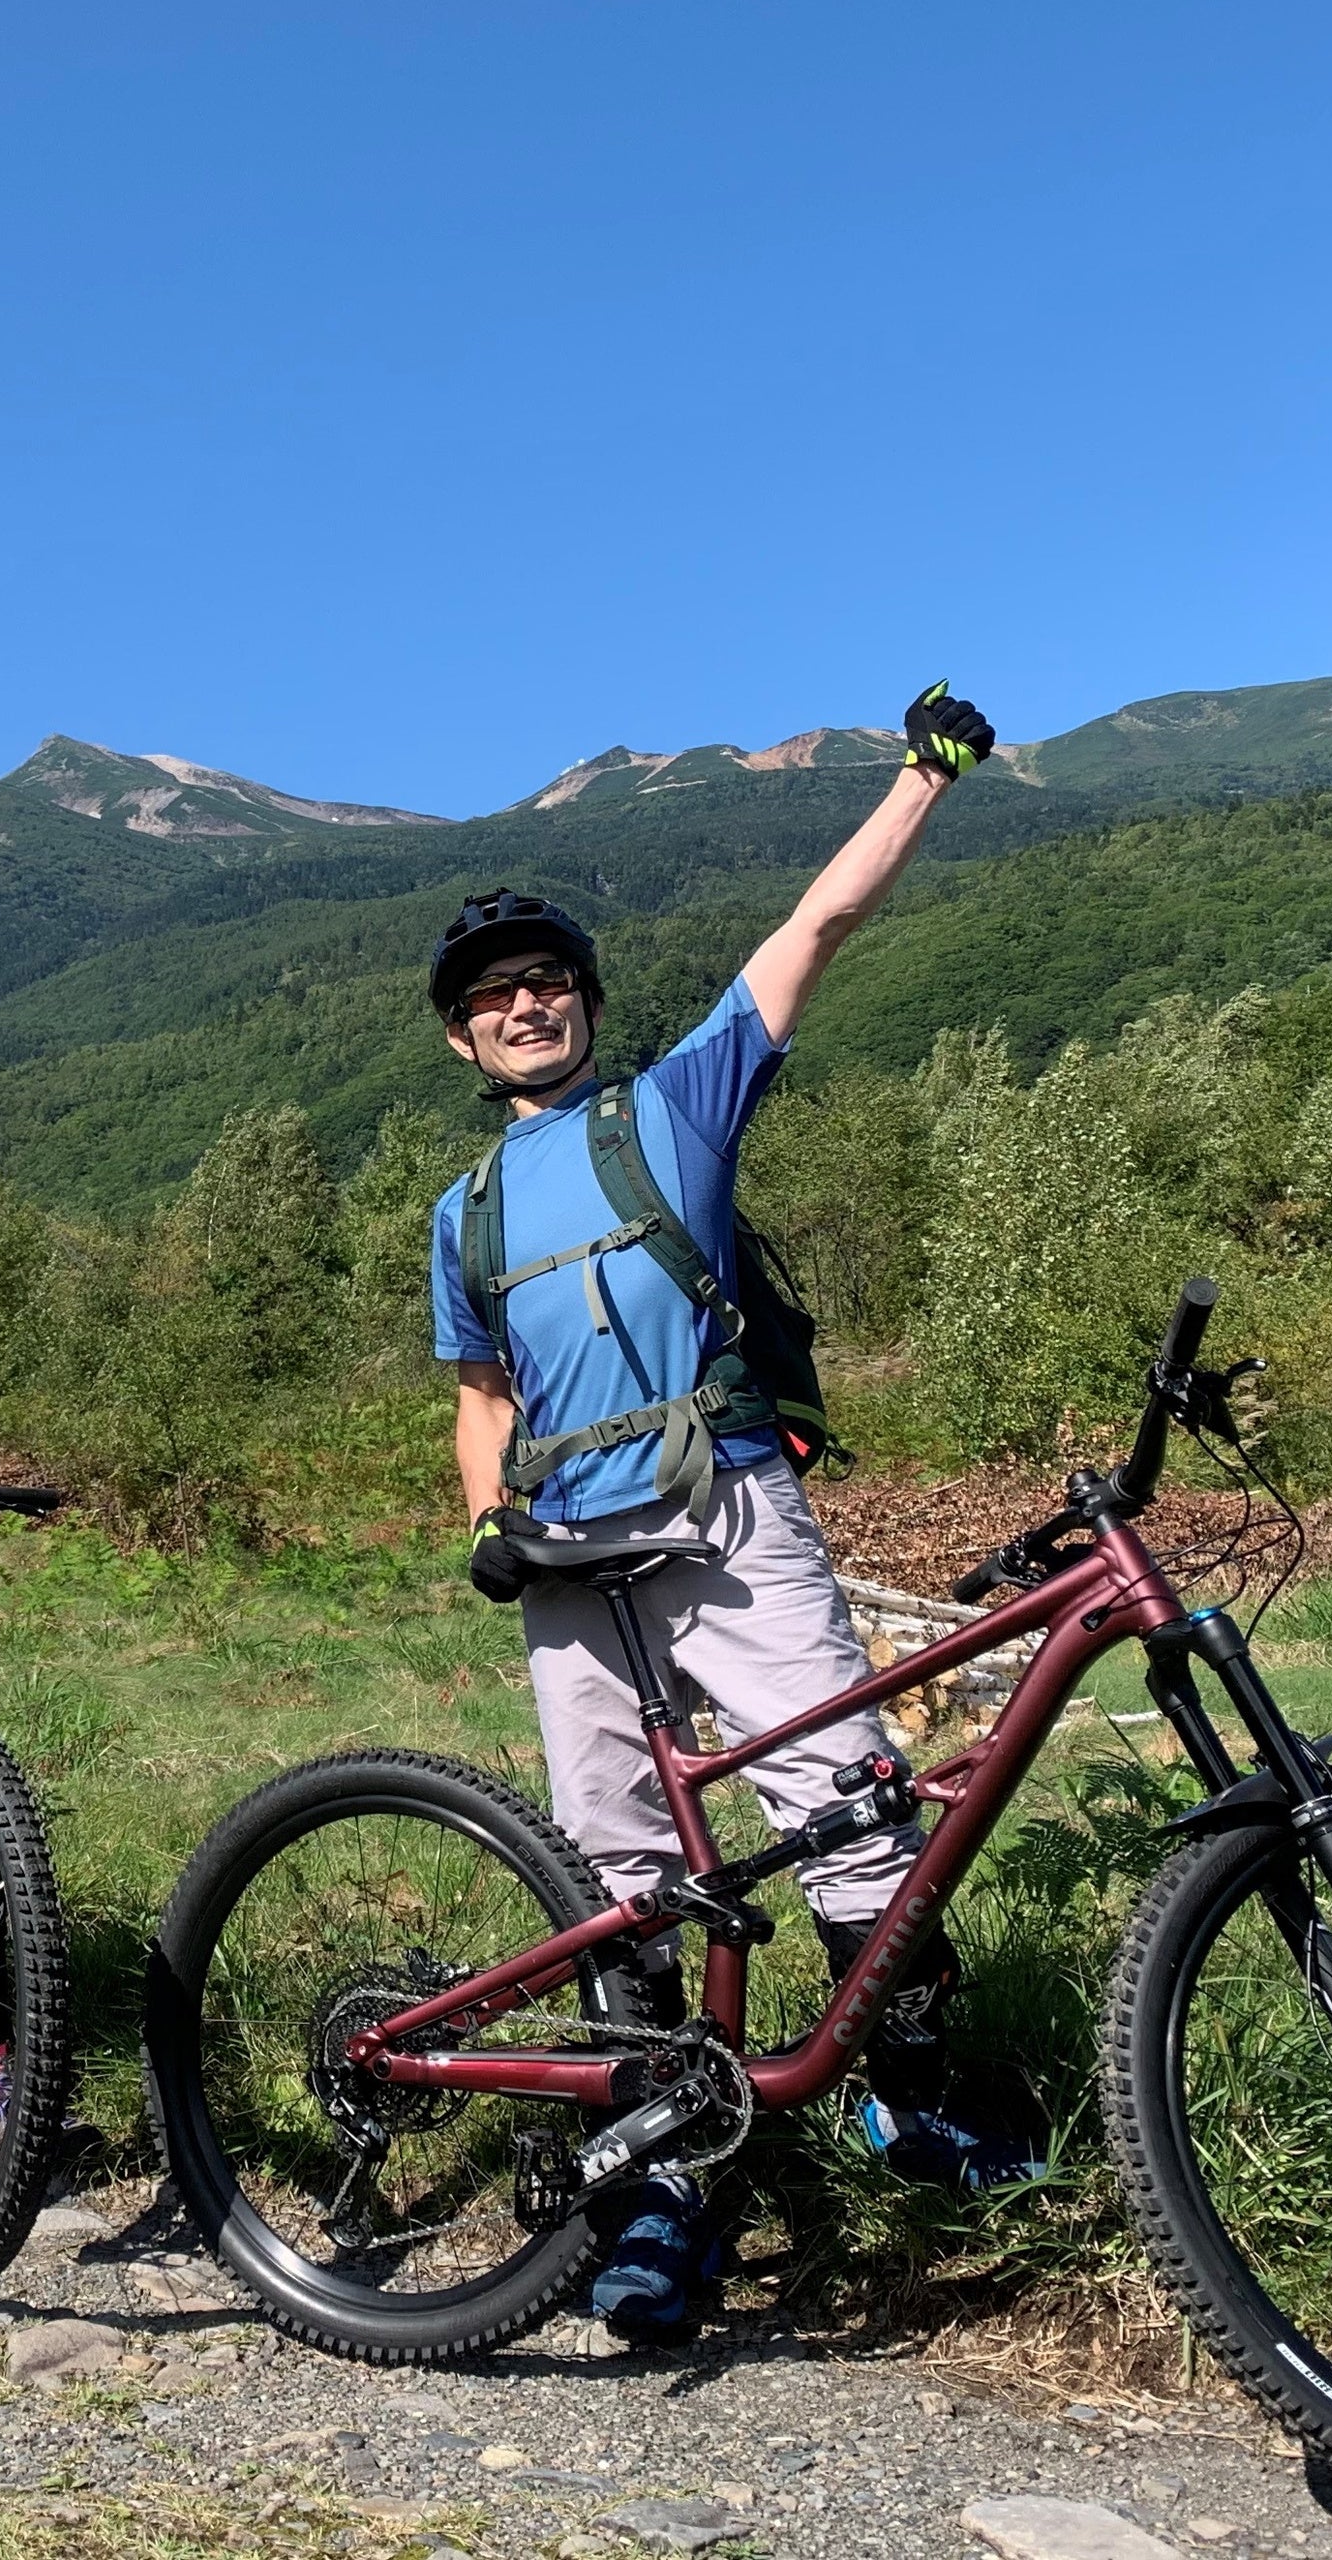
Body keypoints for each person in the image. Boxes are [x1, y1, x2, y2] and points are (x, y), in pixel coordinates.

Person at [424, 682, 1031, 2345]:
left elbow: (816, 926)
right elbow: (482, 1396)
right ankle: (659, 2192)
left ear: (585, 1000)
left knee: (848, 1806)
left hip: (726, 1510)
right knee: (623, 1875)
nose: (524, 1004)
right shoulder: (464, 1210)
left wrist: (921, 779)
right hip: (573, 1558)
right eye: (491, 997)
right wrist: (483, 1521)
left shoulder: (676, 1102)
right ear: (462, 1041)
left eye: (545, 980)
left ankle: (905, 2091)